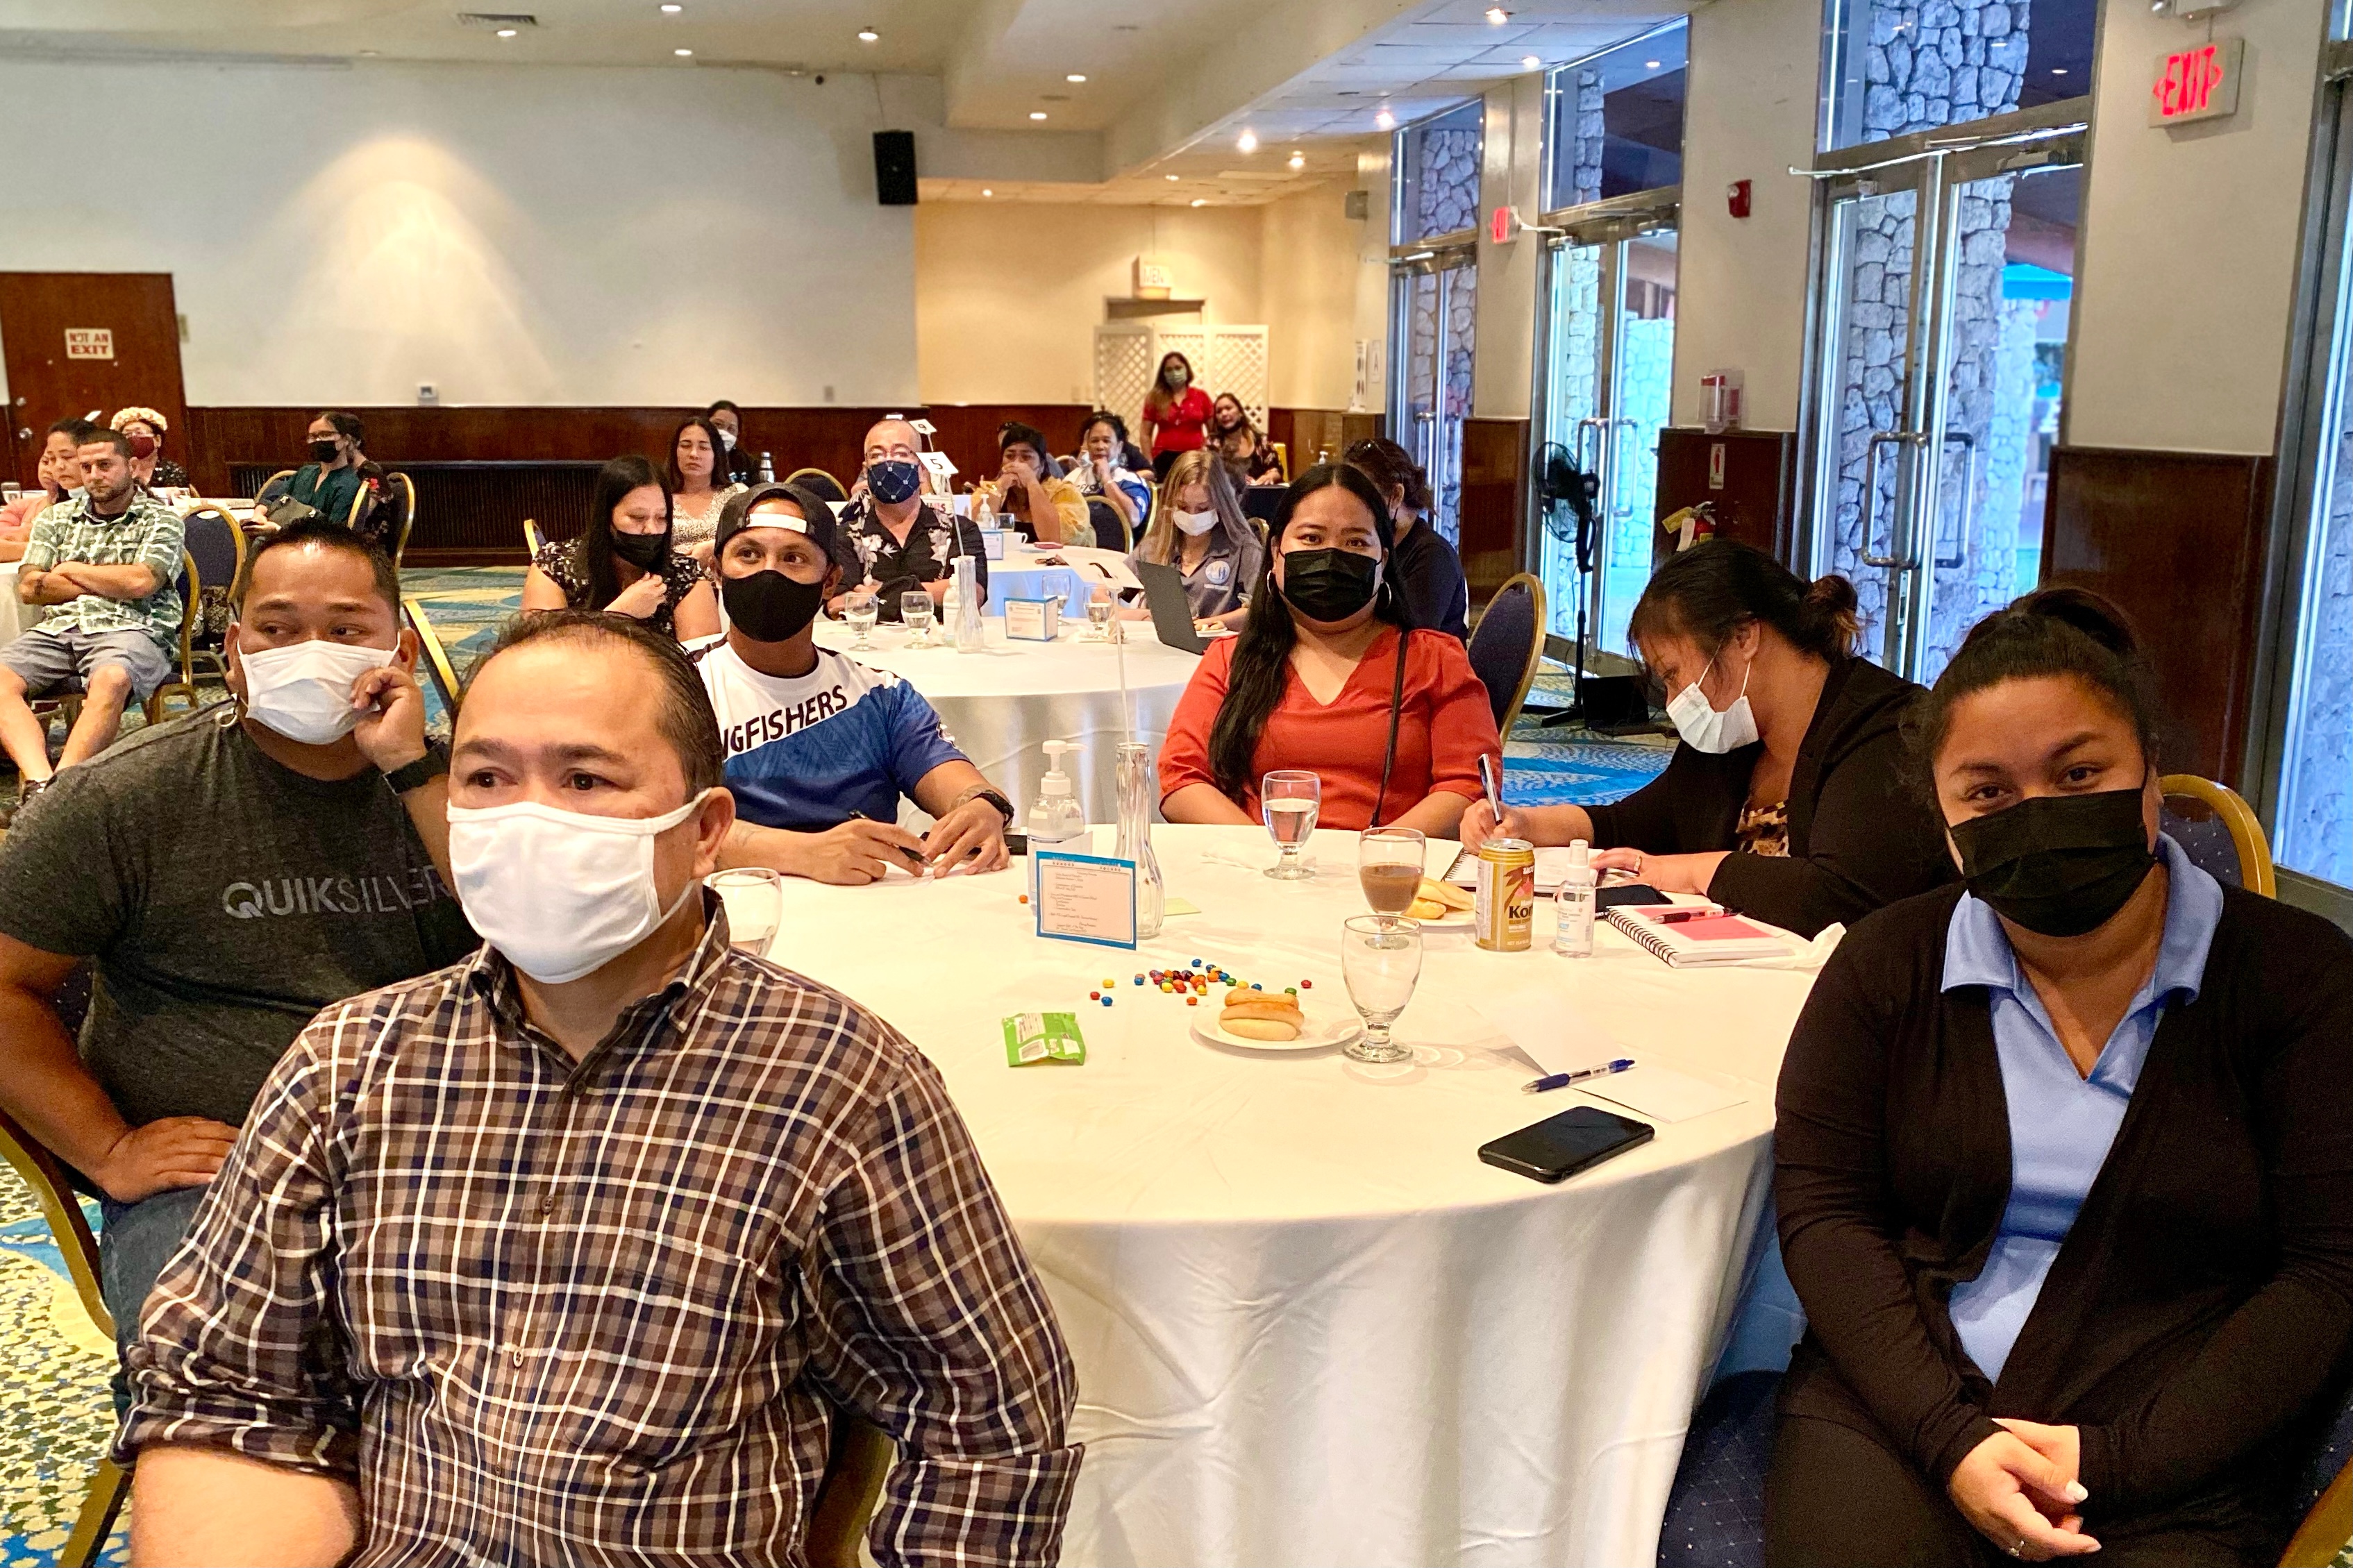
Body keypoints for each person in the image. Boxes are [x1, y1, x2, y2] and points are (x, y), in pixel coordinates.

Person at [119, 610, 1081, 1565]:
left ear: (705, 829)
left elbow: (989, 1420)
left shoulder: (836, 1084)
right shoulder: (354, 1061)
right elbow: (224, 1385)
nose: (527, 816)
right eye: (487, 777)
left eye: (584, 778)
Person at [1767, 588, 2353, 1568]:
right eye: (1987, 792)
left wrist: (2114, 1459)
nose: (2035, 815)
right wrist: (1952, 1437)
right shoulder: (1883, 964)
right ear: (1945, 822)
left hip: (2180, 1438)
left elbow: (2330, 1269)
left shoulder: (2301, 981)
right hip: (1905, 1407)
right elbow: (1827, 1210)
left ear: (2151, 778)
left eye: (2079, 772)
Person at [0, 519, 470, 1403]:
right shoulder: (124, 797)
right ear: (234, 647)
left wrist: (410, 770)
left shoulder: (446, 790)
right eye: (279, 629)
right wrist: (107, 1150)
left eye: (346, 629)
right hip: (216, 1174)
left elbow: (533, 952)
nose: (310, 652)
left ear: (400, 646)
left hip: (433, 1157)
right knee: (219, 1389)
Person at [1462, 539, 1952, 938]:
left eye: (1674, 674)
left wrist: (1693, 870)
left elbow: (1835, 898)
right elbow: (1631, 822)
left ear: (1743, 638)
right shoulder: (1734, 734)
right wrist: (1526, 823)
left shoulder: (1886, 731)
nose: (1676, 700)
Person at [698, 484, 1015, 885]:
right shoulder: (679, 692)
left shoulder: (881, 695)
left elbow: (964, 787)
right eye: (748, 554)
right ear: (716, 570)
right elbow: (664, 826)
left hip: (874, 916)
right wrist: (804, 853)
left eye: (793, 558)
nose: (769, 571)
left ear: (830, 582)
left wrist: (983, 808)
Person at [1159, 465, 1500, 834]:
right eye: (1311, 538)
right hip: (1257, 873)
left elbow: (1469, 783)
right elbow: (1182, 777)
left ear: (1383, 560)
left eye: (1356, 542)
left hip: (1391, 878)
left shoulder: (1436, 660)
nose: (1331, 556)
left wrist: (1379, 856)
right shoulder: (1230, 660)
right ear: (1276, 552)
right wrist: (1262, 852)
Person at [0, 428, 185, 804]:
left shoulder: (161, 520)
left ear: (132, 467)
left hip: (134, 627)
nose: (94, 475)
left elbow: (139, 582)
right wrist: (106, 578)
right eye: (86, 467)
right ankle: (41, 786)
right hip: (59, 627)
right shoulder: (57, 519)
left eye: (105, 465)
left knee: (111, 679)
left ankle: (63, 789)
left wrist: (70, 568)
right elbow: (30, 586)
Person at [522, 454, 717, 640]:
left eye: (661, 518)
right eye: (637, 518)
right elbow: (539, 654)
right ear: (607, 517)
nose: (651, 529)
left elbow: (700, 663)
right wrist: (620, 614)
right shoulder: (554, 564)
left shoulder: (684, 573)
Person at [831, 416, 987, 621]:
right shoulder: (846, 535)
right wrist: (934, 591)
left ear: (922, 469)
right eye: (877, 455)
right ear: (865, 471)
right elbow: (837, 604)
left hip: (941, 647)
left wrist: (877, 595)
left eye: (901, 453)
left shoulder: (959, 529)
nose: (888, 462)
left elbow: (971, 593)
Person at [1344, 437, 1468, 640]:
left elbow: (1408, 643)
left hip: (1421, 667)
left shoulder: (1433, 556)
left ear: (1396, 495)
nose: (1349, 510)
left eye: (1361, 498)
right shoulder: (1378, 543)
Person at [1120, 448, 1261, 627]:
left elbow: (1258, 611)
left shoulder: (1243, 548)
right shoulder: (1155, 546)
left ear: (1221, 505)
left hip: (1215, 647)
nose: (1192, 515)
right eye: (1182, 507)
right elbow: (1106, 593)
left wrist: (1210, 623)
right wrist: (1142, 615)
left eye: (1203, 509)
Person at [261, 412, 396, 550]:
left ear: (349, 441)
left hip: (358, 541)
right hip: (311, 538)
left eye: (326, 435)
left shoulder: (366, 475)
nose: (320, 442)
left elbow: (355, 519)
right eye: (314, 437)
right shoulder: (312, 472)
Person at [974, 421, 1093, 548]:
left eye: (1026, 457)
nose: (1017, 464)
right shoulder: (987, 491)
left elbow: (1054, 539)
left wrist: (1032, 483)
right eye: (1010, 456)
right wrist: (1000, 486)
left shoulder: (1065, 493)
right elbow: (972, 535)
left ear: (1042, 465)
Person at [0, 419, 94, 556]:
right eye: (51, 459)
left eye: (67, 457)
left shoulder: (107, 502)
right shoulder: (59, 505)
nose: (58, 466)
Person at [665, 414, 746, 557]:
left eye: (703, 447)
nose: (694, 454)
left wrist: (714, 547)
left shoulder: (737, 495)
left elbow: (754, 538)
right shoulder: (661, 497)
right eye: (685, 446)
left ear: (716, 454)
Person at [1067, 410, 1151, 541]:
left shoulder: (1130, 480)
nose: (1100, 446)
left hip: (1114, 553)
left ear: (1119, 446)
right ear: (1087, 446)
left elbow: (1133, 519)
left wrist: (1107, 479)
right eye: (1094, 441)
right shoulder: (1074, 478)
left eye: (1107, 441)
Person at [1141, 351, 1213, 481]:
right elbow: (1145, 434)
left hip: (1196, 457)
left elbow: (1214, 431)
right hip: (1164, 458)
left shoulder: (1201, 396)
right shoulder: (1154, 398)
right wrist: (1149, 463)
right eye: (1169, 370)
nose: (1174, 373)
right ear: (1163, 374)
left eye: (1178, 368)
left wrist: (1208, 454)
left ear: (1187, 369)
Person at [108, 406, 189, 491]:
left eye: (139, 433)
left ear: (158, 440)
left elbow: (178, 498)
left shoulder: (173, 471)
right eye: (127, 434)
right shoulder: (117, 470)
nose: (133, 437)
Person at [1211, 394, 1284, 486]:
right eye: (1219, 411)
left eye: (1228, 408)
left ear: (1240, 412)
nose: (1224, 414)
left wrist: (1270, 476)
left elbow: (1277, 470)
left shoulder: (1260, 441)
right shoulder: (1213, 445)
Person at [704, 397, 759, 483]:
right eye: (718, 424)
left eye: (731, 429)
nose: (723, 432)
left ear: (738, 434)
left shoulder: (747, 463)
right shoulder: (694, 456)